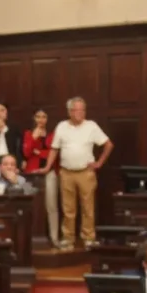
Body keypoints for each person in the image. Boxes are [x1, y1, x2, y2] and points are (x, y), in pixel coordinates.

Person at [40, 96, 113, 249]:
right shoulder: (61, 126)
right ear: (69, 112)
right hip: (66, 172)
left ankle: (88, 238)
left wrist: (99, 163)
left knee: (88, 208)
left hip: (86, 172)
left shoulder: (91, 126)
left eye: (82, 110)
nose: (80, 113)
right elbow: (54, 149)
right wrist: (47, 167)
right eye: (76, 110)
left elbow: (108, 145)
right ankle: (68, 238)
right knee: (68, 208)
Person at [22, 109, 59, 247]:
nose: (41, 120)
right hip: (32, 173)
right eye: (38, 116)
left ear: (47, 119)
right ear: (34, 118)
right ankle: (29, 237)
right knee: (32, 206)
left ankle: (54, 237)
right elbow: (26, 152)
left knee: (51, 204)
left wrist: (38, 152)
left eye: (44, 117)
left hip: (49, 172)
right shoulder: (28, 133)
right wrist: (34, 138)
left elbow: (53, 153)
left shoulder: (52, 134)